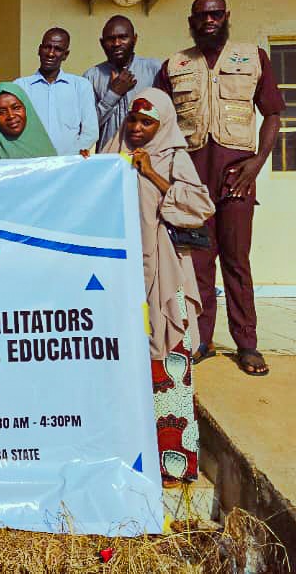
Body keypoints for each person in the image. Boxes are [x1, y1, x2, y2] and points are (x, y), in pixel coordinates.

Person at [154, 0, 285, 377]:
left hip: (236, 177)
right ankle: (200, 339)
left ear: (226, 16)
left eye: (215, 14)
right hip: (192, 178)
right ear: (191, 20)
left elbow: (273, 113)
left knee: (236, 259)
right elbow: (160, 121)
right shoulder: (175, 64)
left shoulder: (253, 57)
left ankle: (247, 344)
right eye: (201, 15)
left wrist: (257, 164)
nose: (208, 20)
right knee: (196, 262)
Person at [104, 89, 215, 484]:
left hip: (164, 274)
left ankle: (172, 462)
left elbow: (200, 206)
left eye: (146, 122)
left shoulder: (173, 157)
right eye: (133, 120)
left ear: (163, 124)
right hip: (119, 277)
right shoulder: (111, 150)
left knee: (167, 356)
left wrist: (151, 172)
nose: (136, 128)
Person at [83, 15, 162, 151]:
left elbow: (167, 118)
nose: (117, 43)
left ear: (134, 39)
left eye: (123, 37)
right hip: (109, 160)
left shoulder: (154, 70)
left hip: (147, 158)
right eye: (110, 39)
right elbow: (87, 127)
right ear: (102, 43)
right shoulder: (92, 77)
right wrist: (113, 95)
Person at [14, 28, 97, 156]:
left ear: (65, 55)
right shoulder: (20, 86)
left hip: (69, 166)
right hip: (32, 164)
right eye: (47, 47)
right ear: (39, 50)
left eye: (58, 49)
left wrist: (68, 159)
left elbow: (91, 132)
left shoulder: (80, 86)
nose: (51, 53)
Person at [0, 82, 56, 161]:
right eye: (2, 112)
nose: (11, 116)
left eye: (16, 108)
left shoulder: (43, 145)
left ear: (26, 109)